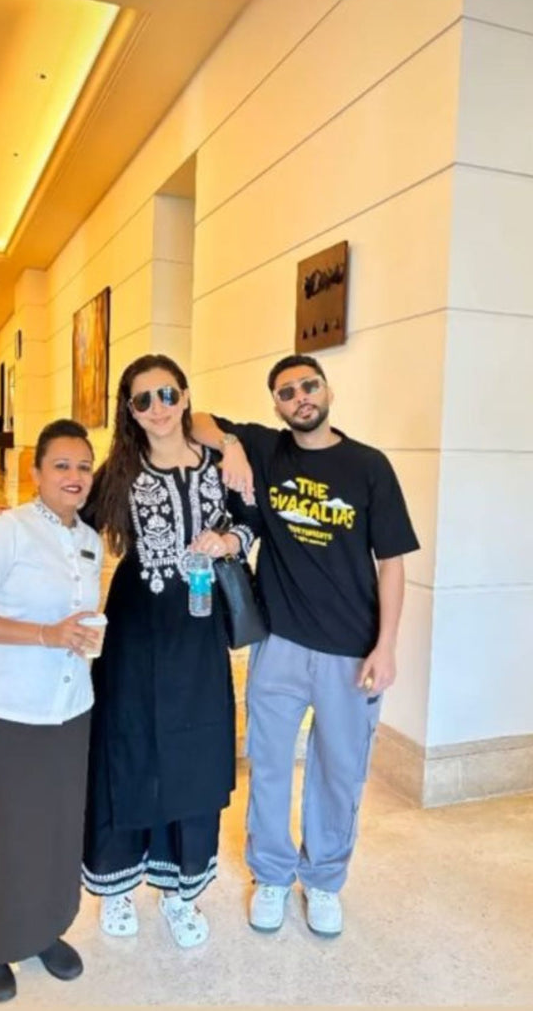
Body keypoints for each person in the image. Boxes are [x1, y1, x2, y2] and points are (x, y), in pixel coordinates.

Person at [191, 354, 419, 939]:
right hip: (281, 644)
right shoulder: (266, 449)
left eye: (308, 386)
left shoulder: (369, 466)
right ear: (276, 405)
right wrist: (232, 446)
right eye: (286, 392)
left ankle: (322, 880)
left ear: (327, 390)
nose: (300, 398)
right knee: (269, 765)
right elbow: (195, 420)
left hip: (352, 650)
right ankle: (271, 875)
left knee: (339, 772)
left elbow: (392, 564)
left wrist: (386, 646)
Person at [80, 353, 254, 949]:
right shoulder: (121, 473)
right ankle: (117, 885)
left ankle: (183, 891)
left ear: (184, 396)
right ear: (129, 411)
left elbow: (251, 522)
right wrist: (8, 522)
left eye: (167, 394)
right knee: (127, 744)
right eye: (143, 400)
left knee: (195, 751)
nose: (158, 408)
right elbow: (70, 516)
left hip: (199, 634)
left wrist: (227, 538)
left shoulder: (219, 463)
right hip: (136, 630)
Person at [0, 419, 104, 1003]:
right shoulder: (5, 532)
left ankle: (44, 930)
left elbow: (79, 617)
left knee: (58, 827)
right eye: (61, 465)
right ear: (36, 472)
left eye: (83, 466)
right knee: (5, 830)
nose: (74, 476)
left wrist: (82, 639)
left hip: (70, 706)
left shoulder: (91, 540)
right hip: (10, 709)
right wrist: (46, 634)